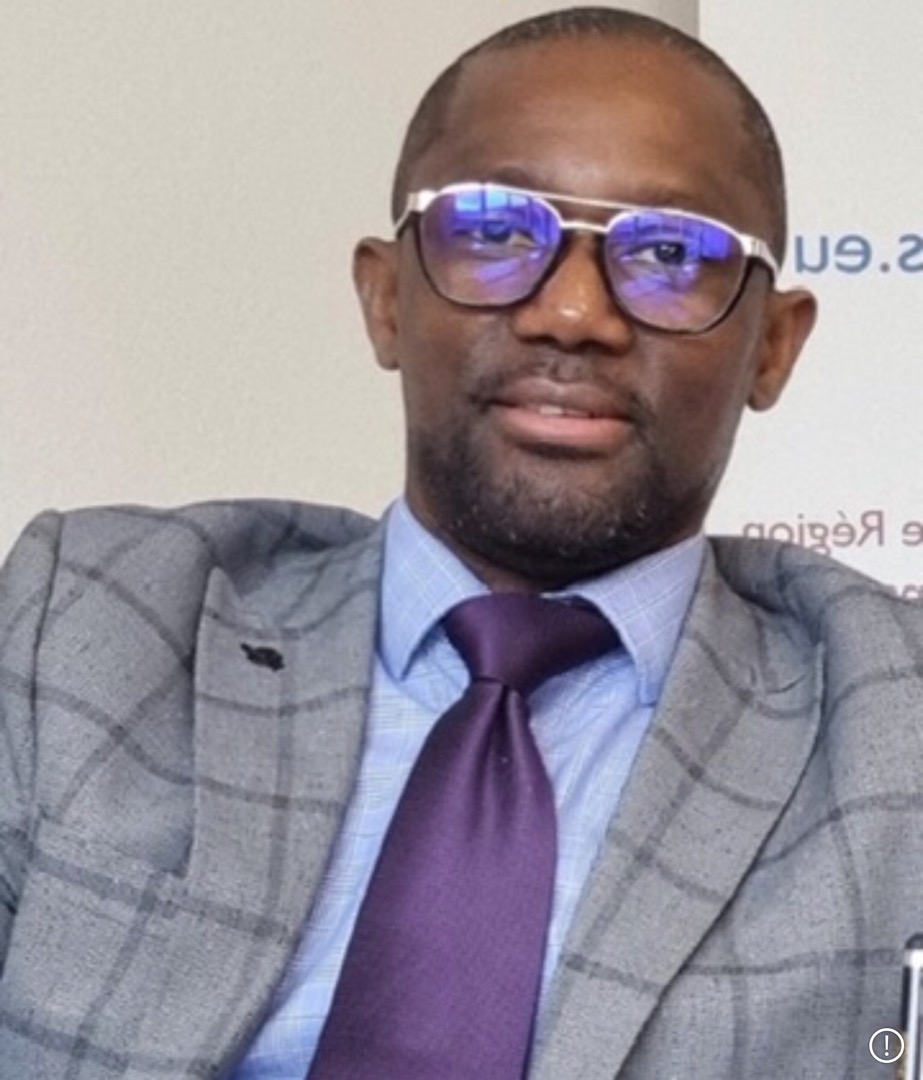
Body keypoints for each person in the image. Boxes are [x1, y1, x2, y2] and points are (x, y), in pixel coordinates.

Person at [1, 7, 921, 1079]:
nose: (572, 314)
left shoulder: (889, 722)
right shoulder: (96, 627)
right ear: (385, 299)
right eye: (493, 232)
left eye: (669, 253)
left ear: (772, 347)